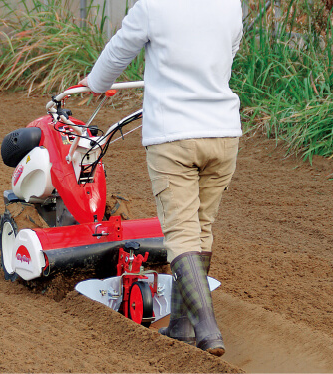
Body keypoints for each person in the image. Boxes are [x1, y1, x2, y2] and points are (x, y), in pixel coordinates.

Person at [79, 0, 243, 357]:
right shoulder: (230, 3)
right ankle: (181, 327)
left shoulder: (153, 6)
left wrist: (96, 82)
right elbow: (229, 51)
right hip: (224, 134)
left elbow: (119, 49)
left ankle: (208, 329)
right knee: (201, 226)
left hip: (175, 137)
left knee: (182, 232)